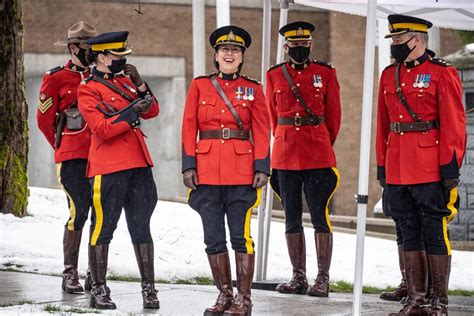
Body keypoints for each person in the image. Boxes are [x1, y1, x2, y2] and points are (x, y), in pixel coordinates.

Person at [376, 14, 466, 316]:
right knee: (408, 230)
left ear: (419, 39)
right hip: (398, 165)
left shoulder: (442, 72)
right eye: (394, 40)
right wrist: (381, 164)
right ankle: (416, 301)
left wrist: (450, 166)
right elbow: (383, 125)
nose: (396, 45)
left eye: (400, 40)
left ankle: (439, 302)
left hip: (429, 163)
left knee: (434, 230)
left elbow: (454, 122)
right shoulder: (389, 75)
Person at [181, 25, 270, 316]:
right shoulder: (200, 85)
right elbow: (188, 127)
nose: (229, 54)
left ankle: (244, 299)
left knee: (240, 236)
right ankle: (224, 295)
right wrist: (188, 164)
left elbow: (261, 129)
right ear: (216, 56)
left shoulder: (254, 89)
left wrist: (262, 167)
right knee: (213, 237)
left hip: (242, 172)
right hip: (205, 171)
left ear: (242, 57)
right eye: (224, 50)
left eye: (235, 50)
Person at [77, 31, 160, 310]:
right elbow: (102, 129)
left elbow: (153, 110)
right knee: (103, 228)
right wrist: (132, 111)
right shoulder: (88, 88)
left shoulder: (126, 81)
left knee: (141, 228)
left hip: (138, 164)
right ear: (102, 57)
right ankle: (98, 289)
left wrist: (140, 84)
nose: (122, 61)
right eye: (117, 56)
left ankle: (149, 290)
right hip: (108, 166)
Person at [266, 21, 341, 298]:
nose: (300, 49)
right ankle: (298, 276)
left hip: (318, 152)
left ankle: (322, 278)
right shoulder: (274, 75)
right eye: (295, 45)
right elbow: (273, 119)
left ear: (310, 45)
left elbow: (334, 116)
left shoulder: (326, 73)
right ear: (286, 47)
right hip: (285, 155)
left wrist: (320, 140)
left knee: (320, 215)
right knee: (291, 216)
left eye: (305, 45)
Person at [37, 21, 97, 294]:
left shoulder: (100, 76)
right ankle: (69, 273)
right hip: (72, 156)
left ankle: (94, 274)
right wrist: (61, 147)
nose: (91, 53)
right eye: (86, 48)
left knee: (101, 214)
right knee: (78, 211)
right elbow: (43, 119)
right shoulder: (56, 77)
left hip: (100, 155)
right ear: (73, 48)